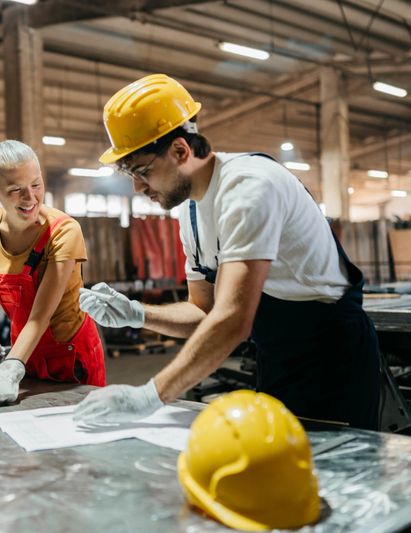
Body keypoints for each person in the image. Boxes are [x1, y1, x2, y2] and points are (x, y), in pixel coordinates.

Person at [73, 74, 380, 429]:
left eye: (143, 171)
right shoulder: (190, 212)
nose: (137, 187)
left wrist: (149, 396)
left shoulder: (249, 187)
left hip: (333, 358)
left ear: (180, 151)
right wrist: (138, 313)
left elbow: (233, 320)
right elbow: (204, 311)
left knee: (336, 463)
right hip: (277, 356)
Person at [0, 140, 105, 403]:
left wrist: (11, 369)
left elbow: (40, 316)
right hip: (23, 350)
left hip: (69, 356)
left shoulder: (63, 232)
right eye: (16, 189)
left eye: (36, 184)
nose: (30, 198)